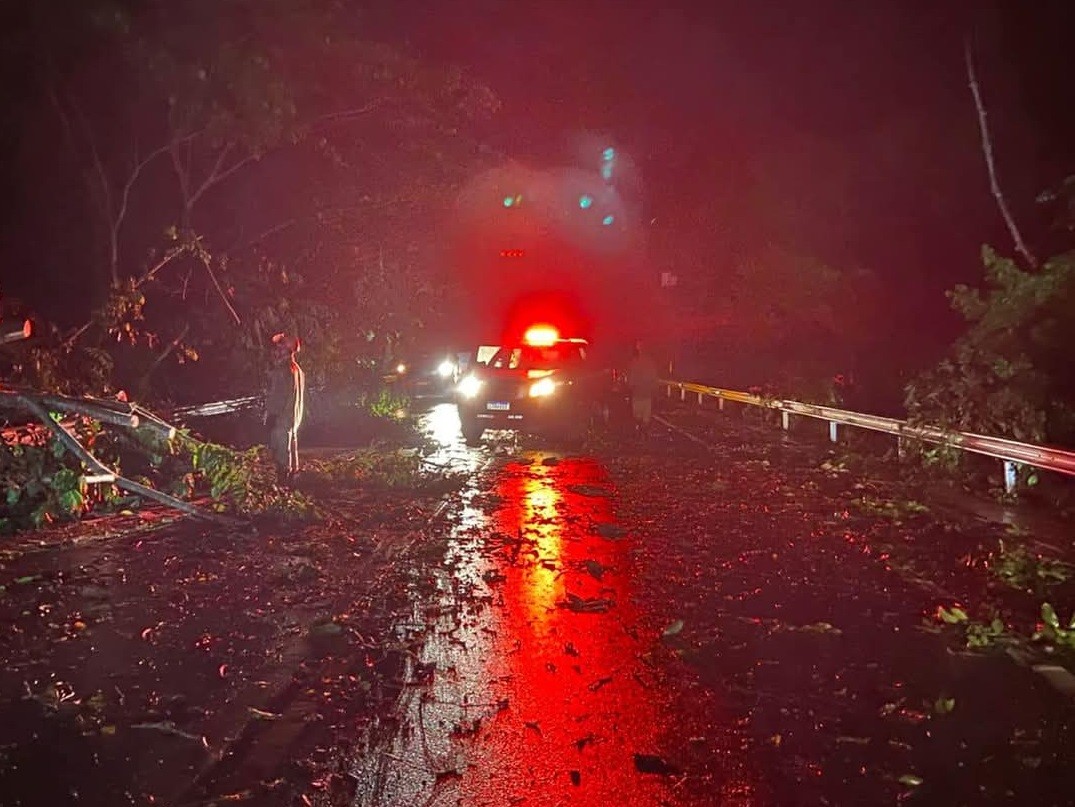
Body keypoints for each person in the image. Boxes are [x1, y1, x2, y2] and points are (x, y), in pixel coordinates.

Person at [265, 333, 306, 481]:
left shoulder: (283, 370)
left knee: (281, 451)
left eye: (280, 345)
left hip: (281, 418)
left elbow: (278, 395)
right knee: (291, 449)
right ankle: (293, 479)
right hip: (293, 418)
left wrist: (271, 415)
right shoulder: (297, 370)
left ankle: (285, 482)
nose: (276, 349)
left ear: (285, 350)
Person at [626, 341, 659, 436]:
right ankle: (644, 434)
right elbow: (654, 378)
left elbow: (631, 379)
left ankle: (639, 433)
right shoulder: (651, 362)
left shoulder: (635, 362)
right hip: (647, 394)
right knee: (646, 418)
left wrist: (630, 388)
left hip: (638, 394)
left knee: (638, 416)